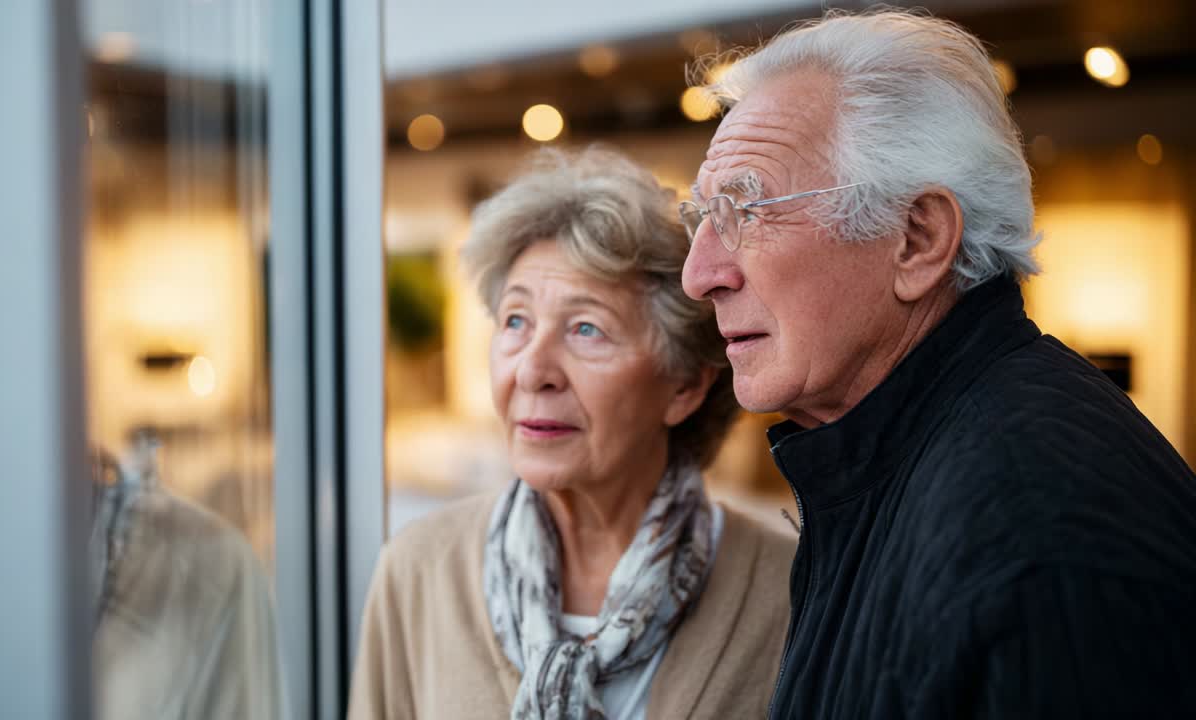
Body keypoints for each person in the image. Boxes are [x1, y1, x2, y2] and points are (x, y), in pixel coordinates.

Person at [679, 7, 1196, 718]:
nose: (699, 275)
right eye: (702, 217)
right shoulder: (914, 462)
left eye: (747, 210)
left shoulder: (1036, 536)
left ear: (918, 239)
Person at [348, 146, 797, 720]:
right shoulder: (418, 570)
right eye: (516, 321)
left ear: (685, 385)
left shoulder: (784, 590)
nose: (532, 370)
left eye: (587, 329)